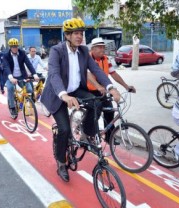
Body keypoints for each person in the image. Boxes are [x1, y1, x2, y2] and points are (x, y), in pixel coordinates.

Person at [40, 18, 121, 182]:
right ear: (68, 35)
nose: (80, 36)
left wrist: (111, 88)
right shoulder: (57, 50)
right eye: (76, 33)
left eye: (81, 33)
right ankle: (61, 163)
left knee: (97, 101)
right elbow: (54, 74)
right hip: (58, 94)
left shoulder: (84, 51)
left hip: (76, 89)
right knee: (64, 130)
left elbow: (96, 70)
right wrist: (64, 95)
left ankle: (87, 132)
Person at [87, 37, 136, 143]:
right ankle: (89, 135)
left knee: (109, 111)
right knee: (96, 111)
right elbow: (88, 75)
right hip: (89, 90)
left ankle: (109, 137)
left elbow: (113, 74)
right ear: (93, 49)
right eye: (99, 47)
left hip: (103, 90)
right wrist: (98, 86)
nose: (102, 50)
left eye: (103, 47)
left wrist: (126, 86)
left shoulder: (105, 59)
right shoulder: (88, 59)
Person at [2, 38, 39, 118]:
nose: (15, 48)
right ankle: (12, 107)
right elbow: (6, 67)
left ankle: (24, 102)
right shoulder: (6, 56)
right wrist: (11, 77)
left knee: (29, 89)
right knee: (10, 88)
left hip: (22, 76)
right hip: (10, 76)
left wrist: (34, 74)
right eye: (13, 47)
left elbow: (28, 64)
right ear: (10, 47)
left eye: (16, 46)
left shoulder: (22, 53)